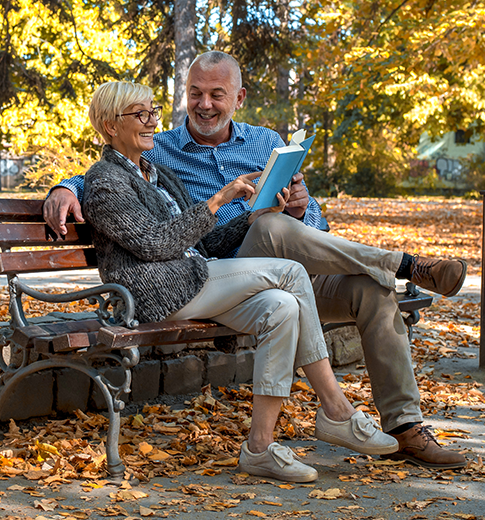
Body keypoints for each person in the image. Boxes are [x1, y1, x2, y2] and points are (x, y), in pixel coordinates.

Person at [45, 52, 468, 469]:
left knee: (369, 289)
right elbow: (108, 177)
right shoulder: (163, 149)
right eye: (195, 93)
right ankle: (403, 270)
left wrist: (301, 209)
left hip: (282, 266)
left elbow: (313, 227)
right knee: (266, 231)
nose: (204, 104)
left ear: (239, 97)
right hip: (222, 275)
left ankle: (403, 426)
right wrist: (65, 187)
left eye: (216, 94)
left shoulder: (267, 142)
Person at [82, 80, 399, 483]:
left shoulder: (155, 173)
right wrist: (217, 200)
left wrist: (252, 214)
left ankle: (259, 448)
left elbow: (205, 240)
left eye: (153, 112)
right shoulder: (106, 181)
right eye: (140, 115)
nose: (151, 123)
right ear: (111, 125)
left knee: (281, 309)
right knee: (291, 274)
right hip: (156, 294)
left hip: (192, 279)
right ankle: (336, 408)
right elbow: (153, 244)